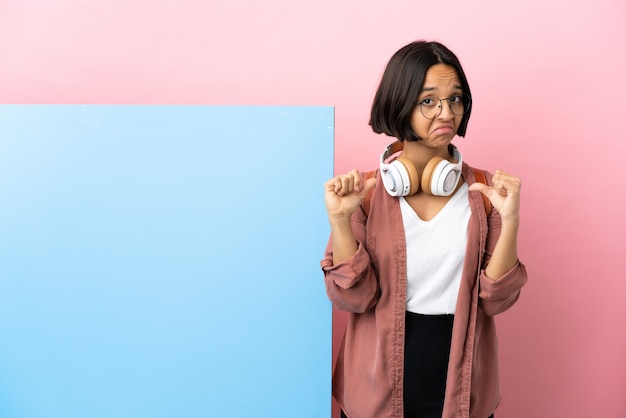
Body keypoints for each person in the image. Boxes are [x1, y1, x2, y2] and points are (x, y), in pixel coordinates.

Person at [321, 40, 528, 418]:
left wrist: (511, 219)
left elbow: (496, 301)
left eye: (456, 99)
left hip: (462, 380)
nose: (446, 112)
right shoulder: (364, 195)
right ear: (401, 102)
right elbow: (353, 299)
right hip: (376, 382)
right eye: (429, 101)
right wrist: (339, 221)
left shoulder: (484, 194)